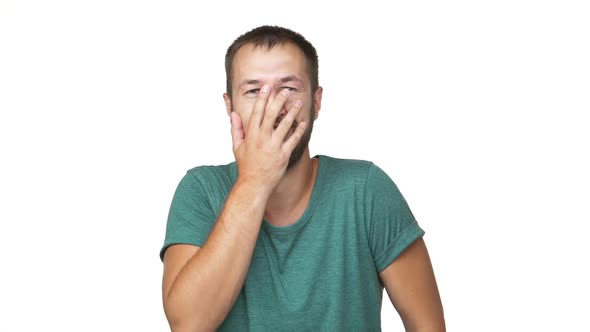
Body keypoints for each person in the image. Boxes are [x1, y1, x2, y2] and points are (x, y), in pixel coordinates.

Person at [160, 25, 445, 331]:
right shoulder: (200, 190)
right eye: (254, 91)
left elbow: (428, 326)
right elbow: (188, 324)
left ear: (316, 102)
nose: (272, 107)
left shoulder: (365, 190)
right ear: (230, 106)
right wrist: (254, 180)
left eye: (288, 89)